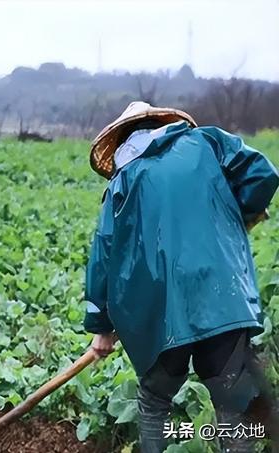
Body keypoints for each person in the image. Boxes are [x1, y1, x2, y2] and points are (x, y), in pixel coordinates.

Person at [83, 101, 279, 453]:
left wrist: (101, 327)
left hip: (159, 316)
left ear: (125, 142)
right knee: (233, 407)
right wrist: (240, 214)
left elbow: (104, 256)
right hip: (222, 300)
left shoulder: (123, 181)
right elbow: (263, 174)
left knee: (154, 402)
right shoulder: (208, 143)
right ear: (163, 125)